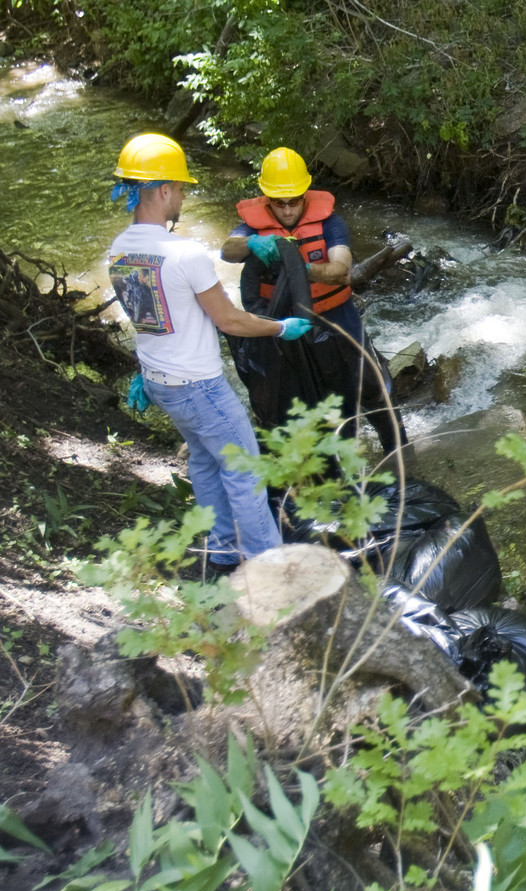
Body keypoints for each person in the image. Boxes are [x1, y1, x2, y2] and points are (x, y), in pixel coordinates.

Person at [108, 132, 313, 573]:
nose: (181, 196)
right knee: (245, 467)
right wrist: (281, 326)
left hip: (161, 381)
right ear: (164, 190)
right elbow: (230, 320)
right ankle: (271, 568)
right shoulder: (185, 254)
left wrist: (147, 373)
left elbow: (148, 316)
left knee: (203, 460)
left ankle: (221, 548)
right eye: (180, 188)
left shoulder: (119, 250)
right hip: (198, 385)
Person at [219, 146, 407, 458]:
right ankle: (311, 468)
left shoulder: (330, 224)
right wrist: (252, 242)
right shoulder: (254, 227)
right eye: (280, 203)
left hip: (335, 317)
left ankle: (399, 451)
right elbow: (228, 250)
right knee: (291, 402)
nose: (288, 209)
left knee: (372, 384)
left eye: (294, 200)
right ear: (267, 199)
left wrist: (299, 268)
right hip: (285, 327)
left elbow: (342, 271)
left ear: (306, 193)